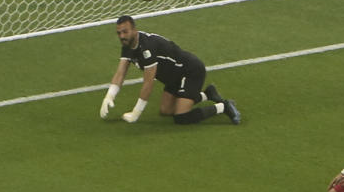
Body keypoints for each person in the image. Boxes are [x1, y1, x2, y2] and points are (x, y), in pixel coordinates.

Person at [101, 15, 241, 125]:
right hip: (173, 78)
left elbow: (148, 83)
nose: (122, 36)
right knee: (166, 111)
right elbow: (120, 73)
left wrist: (135, 113)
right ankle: (207, 94)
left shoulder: (147, 48)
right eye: (119, 33)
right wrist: (109, 96)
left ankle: (224, 106)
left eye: (125, 32)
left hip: (190, 71)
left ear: (134, 30)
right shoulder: (128, 45)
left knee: (181, 117)